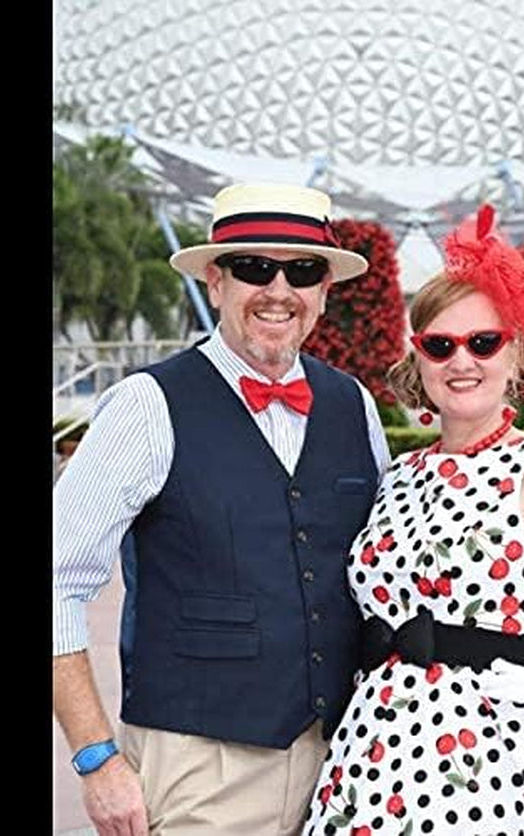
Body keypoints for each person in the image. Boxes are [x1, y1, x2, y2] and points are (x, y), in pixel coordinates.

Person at [53, 181, 392, 836]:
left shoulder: (354, 405)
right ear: (215, 281)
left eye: (302, 270)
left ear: (325, 290)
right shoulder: (146, 405)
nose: (278, 290)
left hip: (348, 766)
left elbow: (388, 575)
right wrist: (96, 758)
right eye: (253, 267)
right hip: (200, 768)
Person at [301, 205, 524, 835]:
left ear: (515, 350)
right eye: (439, 345)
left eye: (483, 341)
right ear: (417, 359)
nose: (461, 361)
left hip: (499, 759)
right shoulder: (399, 472)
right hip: (372, 758)